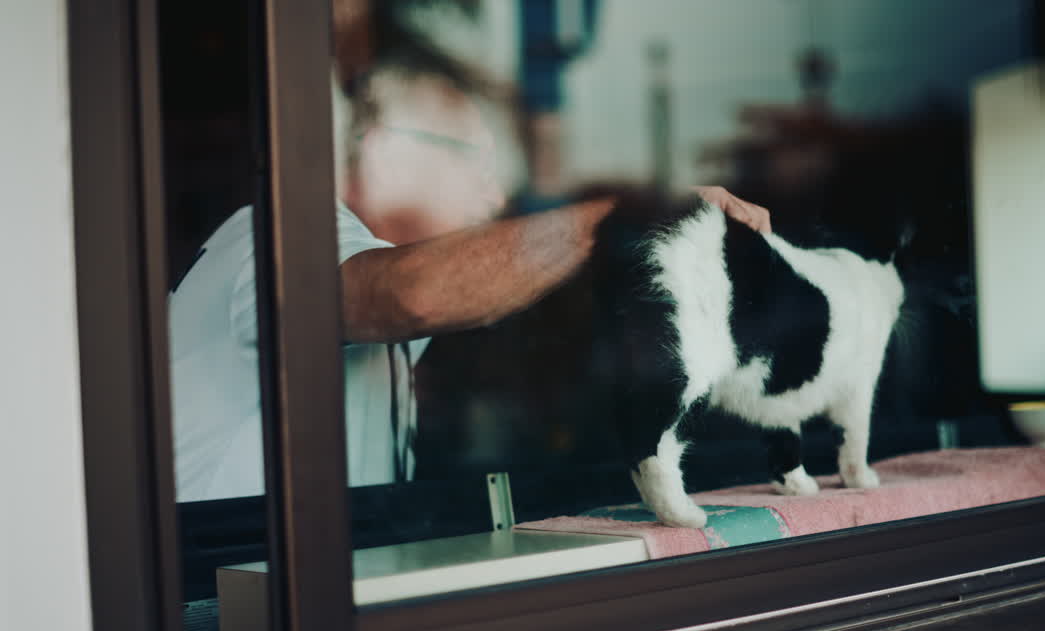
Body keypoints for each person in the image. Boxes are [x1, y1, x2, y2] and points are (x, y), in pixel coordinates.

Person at [169, 58, 771, 503]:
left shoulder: (371, 296)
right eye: (475, 157)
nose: (496, 190)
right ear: (382, 152)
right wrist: (619, 221)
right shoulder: (274, 236)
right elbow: (416, 294)